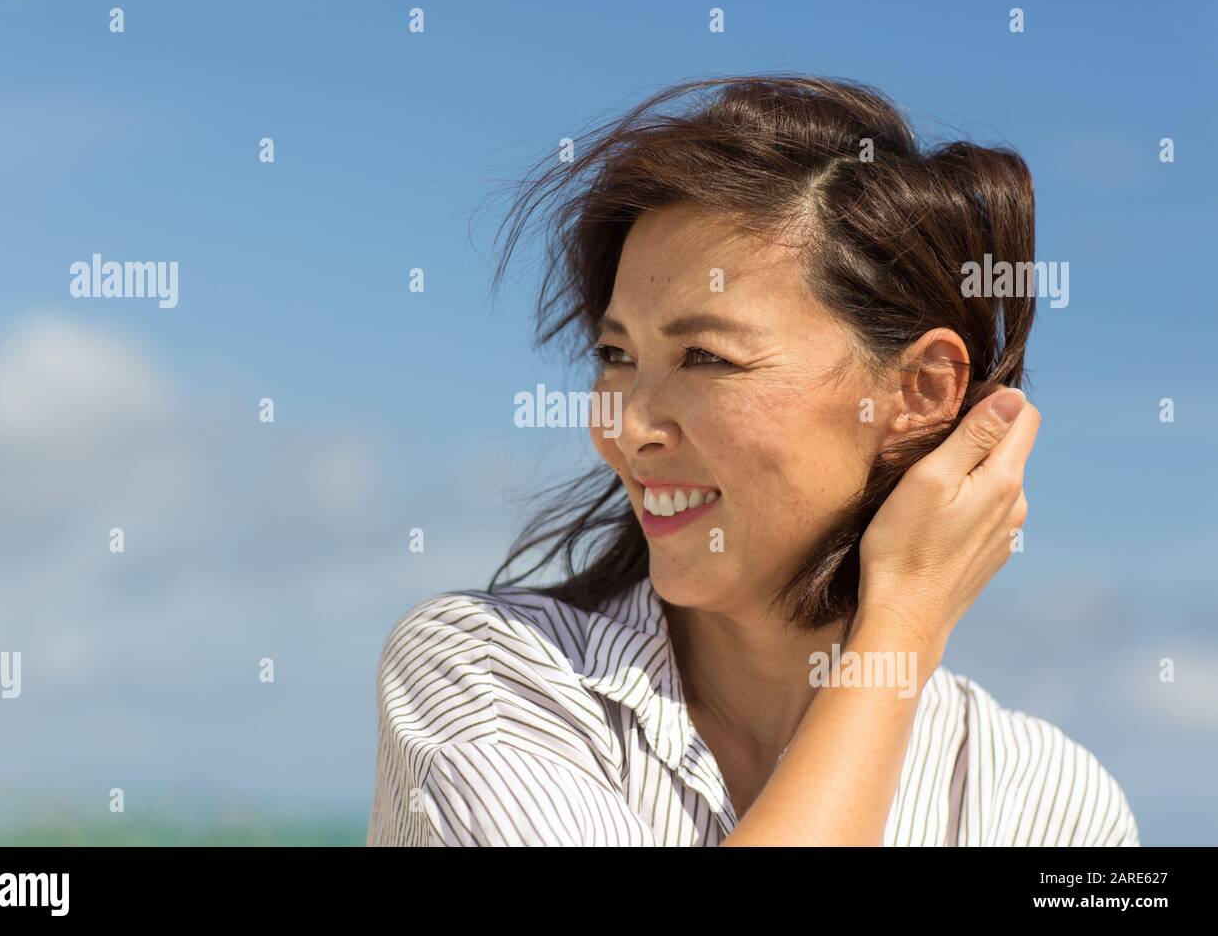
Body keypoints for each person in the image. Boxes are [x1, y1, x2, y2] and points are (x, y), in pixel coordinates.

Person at [367, 75, 1140, 846]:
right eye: (615, 353)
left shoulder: (1049, 798)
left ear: (922, 390)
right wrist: (899, 631)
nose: (627, 425)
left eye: (705, 357)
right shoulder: (488, 674)